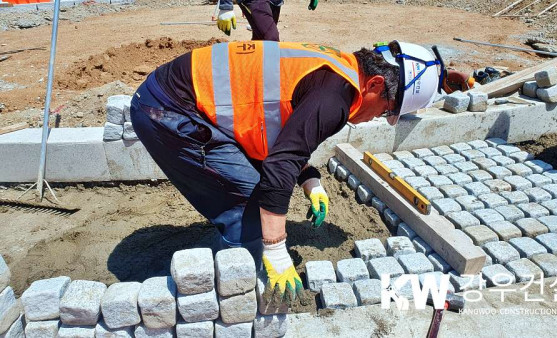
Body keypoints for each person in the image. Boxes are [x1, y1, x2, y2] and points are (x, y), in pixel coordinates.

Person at [129, 40, 445, 304]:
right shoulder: (333, 98)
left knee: (256, 189)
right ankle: (232, 286)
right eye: (388, 109)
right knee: (249, 203)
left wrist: (310, 181)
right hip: (167, 109)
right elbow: (280, 165)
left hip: (181, 98)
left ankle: (235, 260)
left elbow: (281, 135)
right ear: (375, 84)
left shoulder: (337, 70)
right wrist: (276, 247)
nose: (381, 117)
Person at [215, 0, 319, 40]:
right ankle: (272, 84)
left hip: (275, 2)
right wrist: (226, 7)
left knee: (260, 41)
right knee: (271, 38)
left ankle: (251, 77)